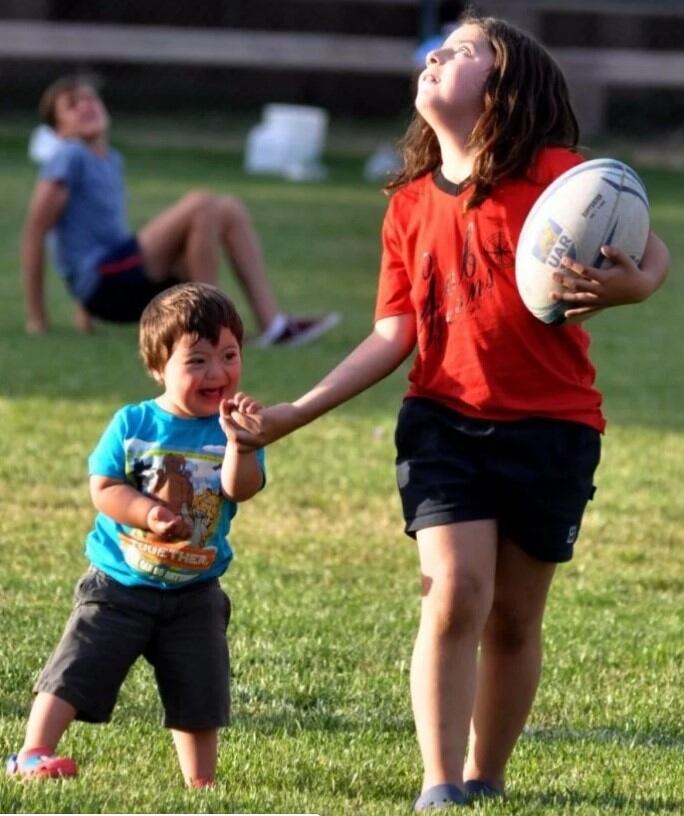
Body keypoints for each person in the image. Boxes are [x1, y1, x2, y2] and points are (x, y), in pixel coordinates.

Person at [224, 13, 670, 812]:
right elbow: (393, 334)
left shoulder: (558, 175)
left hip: (556, 428)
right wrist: (297, 410)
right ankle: (441, 783)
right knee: (456, 592)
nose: (437, 55)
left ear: (505, 92)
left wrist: (634, 283)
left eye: (464, 52)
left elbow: (647, 234)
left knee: (514, 619)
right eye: (440, 47)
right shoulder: (407, 206)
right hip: (443, 423)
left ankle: (487, 776)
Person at [6, 283, 266, 787]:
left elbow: (242, 489)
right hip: (119, 581)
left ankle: (200, 780)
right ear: (158, 367)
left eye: (229, 355)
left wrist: (244, 446)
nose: (217, 372)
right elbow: (103, 487)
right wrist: (147, 512)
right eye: (197, 361)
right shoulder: (134, 422)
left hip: (195, 591)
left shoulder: (236, 429)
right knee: (77, 664)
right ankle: (34, 752)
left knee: (199, 689)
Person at [21, 75, 339, 345]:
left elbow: (90, 232)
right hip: (105, 283)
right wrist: (38, 318)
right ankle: (209, 328)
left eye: (90, 99)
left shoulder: (111, 159)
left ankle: (273, 327)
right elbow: (35, 233)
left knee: (228, 208)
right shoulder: (69, 156)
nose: (86, 106)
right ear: (58, 129)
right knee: (201, 203)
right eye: (72, 105)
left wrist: (83, 312)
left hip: (117, 280)